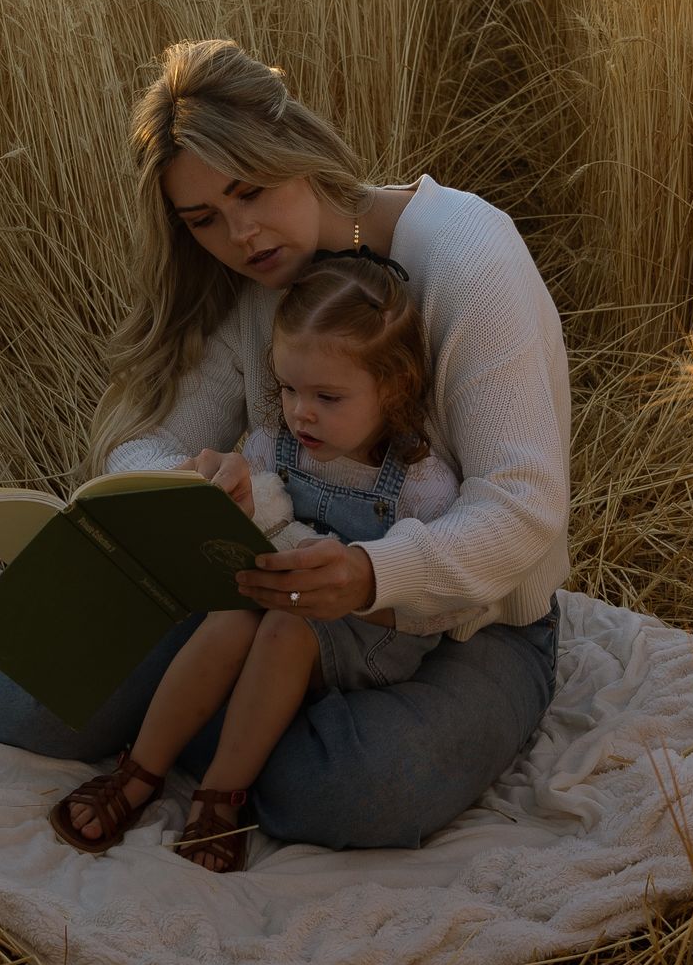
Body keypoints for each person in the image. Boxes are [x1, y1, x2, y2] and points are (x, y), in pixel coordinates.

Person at [0, 36, 572, 854]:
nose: (240, 234)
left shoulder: (467, 257)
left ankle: (188, 735)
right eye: (204, 218)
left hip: (461, 630)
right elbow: (140, 440)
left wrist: (374, 574)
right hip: (269, 601)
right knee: (33, 699)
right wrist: (192, 483)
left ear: (296, 148)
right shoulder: (259, 285)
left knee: (356, 791)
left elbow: (522, 510)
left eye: (251, 190)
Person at [48, 254, 460, 872]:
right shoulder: (279, 443)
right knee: (237, 613)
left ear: (394, 387)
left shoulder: (420, 484)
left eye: (328, 396)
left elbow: (439, 594)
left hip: (377, 629)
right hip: (288, 598)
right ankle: (141, 771)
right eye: (289, 389)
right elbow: (268, 514)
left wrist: (368, 580)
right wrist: (235, 505)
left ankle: (223, 793)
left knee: (286, 628)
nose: (302, 413)